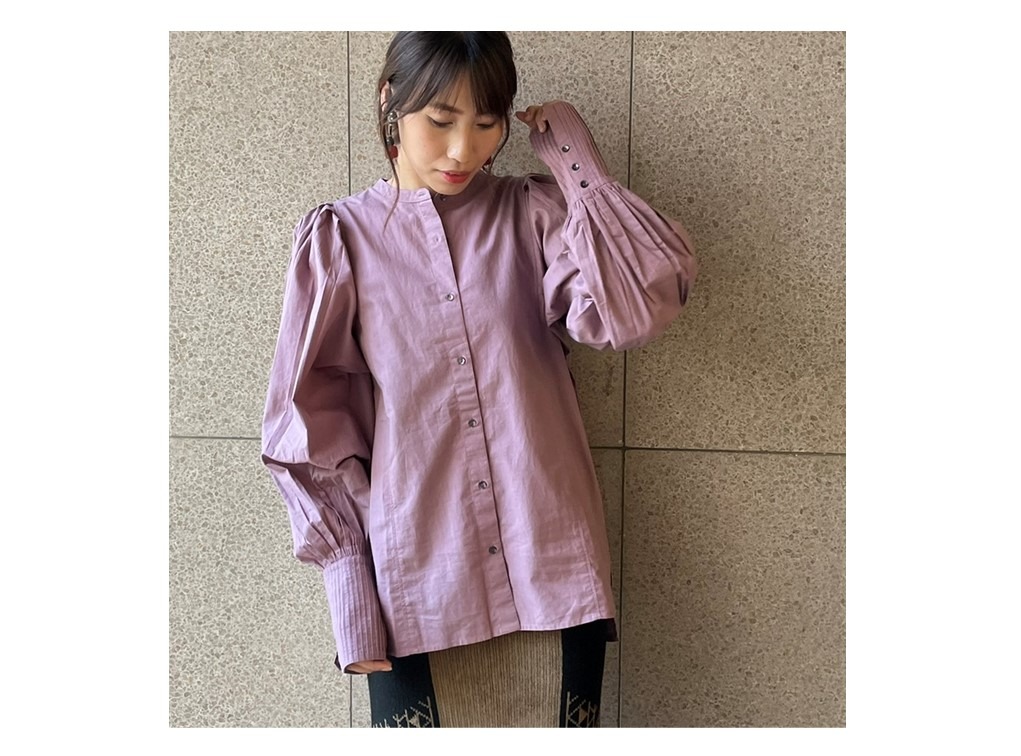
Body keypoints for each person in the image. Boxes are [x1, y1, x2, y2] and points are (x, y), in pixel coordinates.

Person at [261, 31, 697, 728]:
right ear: (390, 101)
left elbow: (638, 307)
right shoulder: (340, 239)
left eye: (487, 123)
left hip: (552, 571)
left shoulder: (535, 215)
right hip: (416, 589)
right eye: (440, 121)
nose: (464, 149)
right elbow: (305, 429)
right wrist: (349, 588)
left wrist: (576, 163)